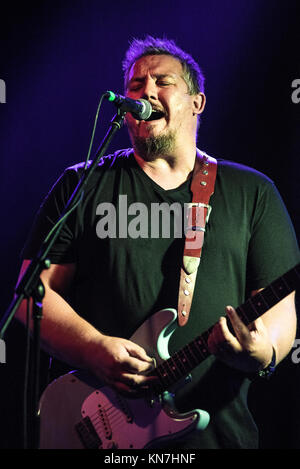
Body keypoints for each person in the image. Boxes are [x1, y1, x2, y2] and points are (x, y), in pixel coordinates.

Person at [15, 36, 299, 449]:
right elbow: (31, 295)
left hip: (217, 437)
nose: (145, 90)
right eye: (134, 86)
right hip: (98, 428)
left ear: (197, 102)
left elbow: (277, 314)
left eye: (162, 81)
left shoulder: (252, 192)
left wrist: (258, 351)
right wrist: (94, 349)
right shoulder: (83, 184)